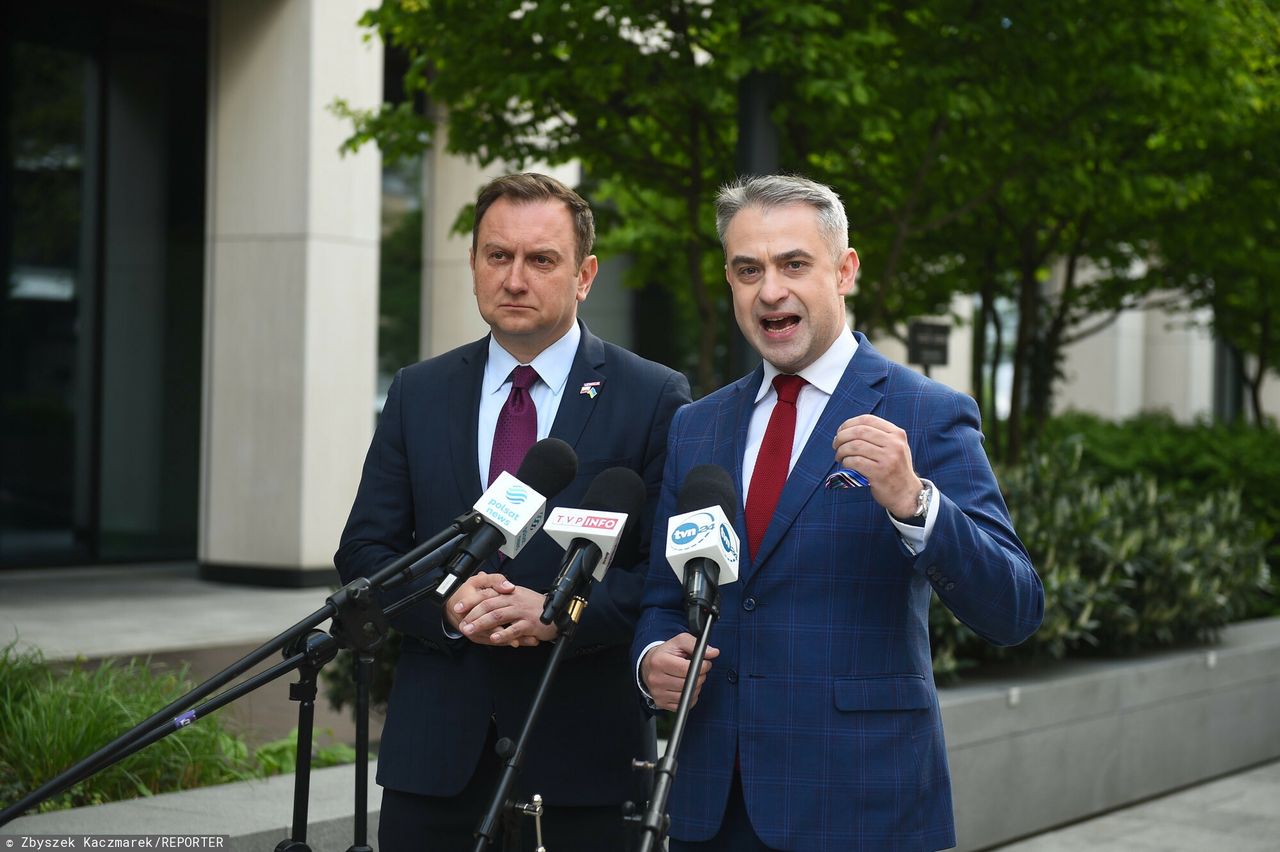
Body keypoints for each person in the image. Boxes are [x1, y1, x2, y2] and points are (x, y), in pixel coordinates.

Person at [633, 174, 1044, 852]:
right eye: (748, 270)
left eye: (794, 264)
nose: (771, 291)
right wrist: (653, 658)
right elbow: (660, 597)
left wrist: (916, 504)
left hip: (861, 806)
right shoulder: (696, 428)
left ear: (844, 270)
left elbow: (1015, 608)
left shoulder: (926, 413)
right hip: (711, 806)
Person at [336, 172, 691, 852]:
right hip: (434, 765)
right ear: (473, 264)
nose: (515, 278)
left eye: (541, 259)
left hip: (582, 767)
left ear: (585, 274)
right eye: (498, 256)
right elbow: (366, 554)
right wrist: (446, 602)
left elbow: (664, 575)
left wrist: (558, 612)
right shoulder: (419, 392)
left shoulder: (652, 397)